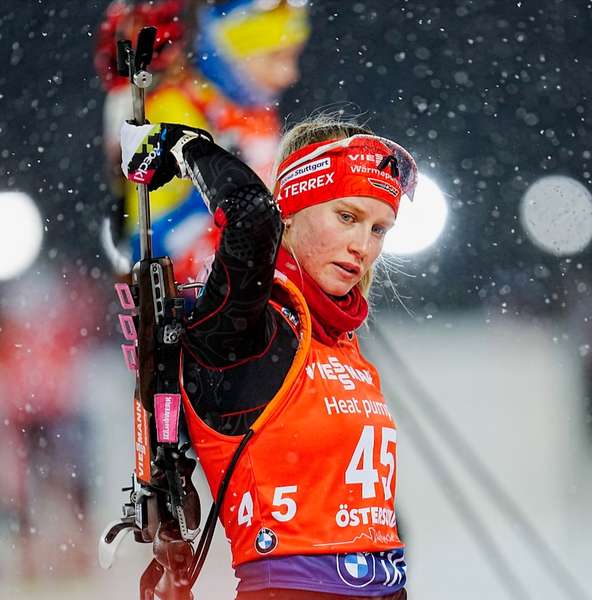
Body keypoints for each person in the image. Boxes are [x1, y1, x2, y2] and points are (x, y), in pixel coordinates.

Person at [119, 112, 415, 599]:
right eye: (347, 217)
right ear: (293, 210)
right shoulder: (244, 330)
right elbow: (253, 214)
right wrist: (183, 147)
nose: (363, 245)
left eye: (379, 228)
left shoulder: (340, 339)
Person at [97, 0, 310, 282]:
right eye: (275, 57)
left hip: (257, 296)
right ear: (228, 51)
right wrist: (213, 189)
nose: (289, 75)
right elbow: (141, 245)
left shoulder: (256, 117)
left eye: (293, 57)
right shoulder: (172, 109)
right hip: (199, 304)